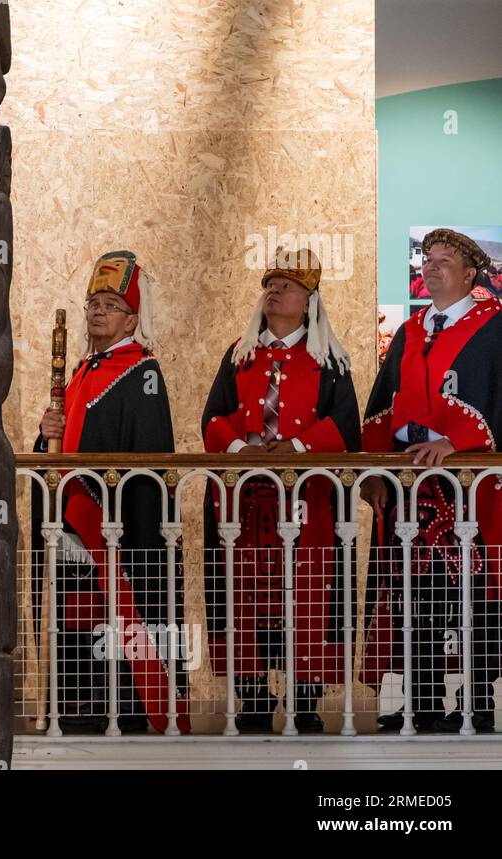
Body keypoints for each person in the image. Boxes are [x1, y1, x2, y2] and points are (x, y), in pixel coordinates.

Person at [201, 247, 360, 733]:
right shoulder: (240, 354)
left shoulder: (328, 359)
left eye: (285, 285)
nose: (274, 291)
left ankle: (304, 699)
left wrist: (295, 447)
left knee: (308, 596)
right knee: (243, 596)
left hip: (307, 505)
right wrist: (237, 452)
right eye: (269, 284)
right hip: (245, 507)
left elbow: (346, 427)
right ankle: (250, 698)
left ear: (308, 300)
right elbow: (212, 418)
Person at [32, 251, 187, 734]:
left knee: (118, 618)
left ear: (132, 319)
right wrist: (44, 432)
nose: (98, 311)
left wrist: (116, 517)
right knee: (77, 618)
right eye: (93, 303)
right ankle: (79, 703)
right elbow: (59, 445)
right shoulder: (80, 371)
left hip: (115, 528)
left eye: (110, 304)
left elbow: (146, 461)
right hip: (71, 524)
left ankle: (127, 706)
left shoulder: (142, 371)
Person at [361, 228, 502, 734]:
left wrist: (456, 440)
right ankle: (420, 699)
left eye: (446, 261)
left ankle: (477, 699)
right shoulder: (411, 329)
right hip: (410, 487)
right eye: (428, 258)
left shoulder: (495, 327)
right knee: (413, 594)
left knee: (476, 595)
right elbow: (383, 402)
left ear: (470, 274)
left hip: (472, 486)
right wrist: (375, 470)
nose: (432, 266)